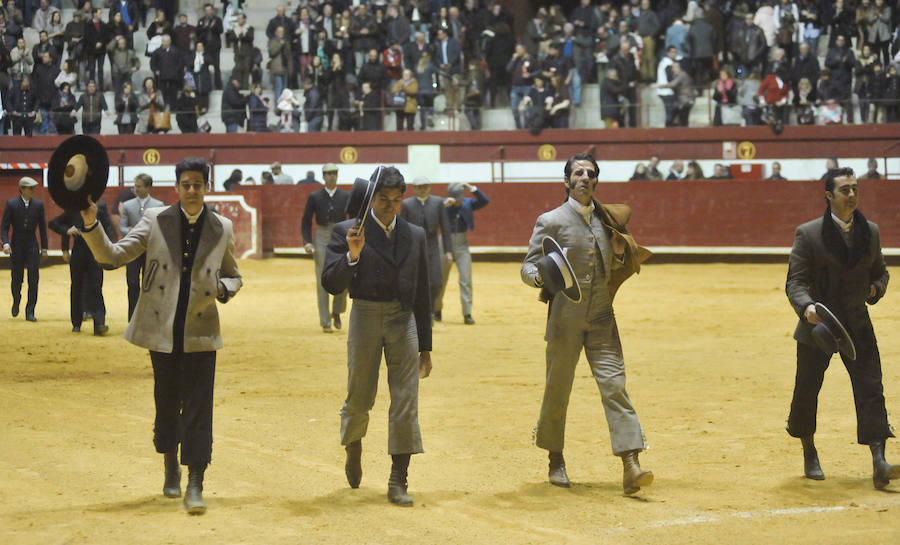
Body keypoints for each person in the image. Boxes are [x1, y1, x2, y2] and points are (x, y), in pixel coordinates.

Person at [79, 157, 242, 514]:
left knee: (200, 407)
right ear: (177, 187)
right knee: (167, 400)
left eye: (198, 184)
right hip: (162, 328)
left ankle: (196, 481)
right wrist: (92, 224)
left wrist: (223, 288)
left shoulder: (223, 227)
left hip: (201, 329)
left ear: (205, 187)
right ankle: (170, 463)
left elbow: (234, 274)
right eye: (186, 184)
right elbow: (114, 255)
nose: (192, 191)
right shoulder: (155, 221)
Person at [521, 152, 653, 494]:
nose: (584, 178)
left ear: (596, 181)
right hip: (565, 318)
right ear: (566, 181)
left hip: (602, 317)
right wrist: (539, 278)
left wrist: (621, 251)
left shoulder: (606, 221)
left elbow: (618, 261)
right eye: (577, 173)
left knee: (614, 385)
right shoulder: (549, 220)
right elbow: (528, 266)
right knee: (558, 386)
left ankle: (631, 464)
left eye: (590, 173)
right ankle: (555, 459)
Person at [322, 166, 432, 507]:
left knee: (405, 398)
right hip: (365, 316)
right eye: (384, 199)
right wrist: (352, 255)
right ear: (372, 198)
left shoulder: (415, 234)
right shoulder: (348, 230)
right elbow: (330, 282)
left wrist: (426, 346)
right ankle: (353, 445)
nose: (391, 206)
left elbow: (422, 292)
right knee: (360, 395)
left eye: (397, 200)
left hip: (403, 319)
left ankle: (398, 478)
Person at [785, 167, 898, 489]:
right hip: (818, 325)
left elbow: (881, 273)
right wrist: (807, 307)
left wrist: (875, 289)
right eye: (845, 189)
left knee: (871, 389)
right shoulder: (808, 234)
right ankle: (809, 450)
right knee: (807, 390)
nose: (851, 194)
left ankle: (879, 460)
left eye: (855, 188)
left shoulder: (871, 232)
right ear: (829, 196)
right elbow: (795, 282)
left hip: (858, 323)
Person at [49, 200, 113, 335]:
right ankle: (76, 322)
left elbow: (108, 228)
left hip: (96, 253)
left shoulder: (100, 207)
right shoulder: (74, 208)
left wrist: (108, 249)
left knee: (96, 287)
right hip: (79, 253)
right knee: (77, 287)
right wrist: (66, 232)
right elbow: (54, 223)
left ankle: (99, 323)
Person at [301, 163, 349, 333]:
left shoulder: (345, 195)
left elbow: (354, 218)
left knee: (343, 275)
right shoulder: (315, 196)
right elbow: (306, 220)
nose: (331, 176)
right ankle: (325, 321)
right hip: (321, 236)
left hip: (341, 235)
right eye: (328, 174)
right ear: (323, 176)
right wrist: (307, 241)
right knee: (322, 278)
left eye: (334, 173)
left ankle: (337, 311)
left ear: (337, 175)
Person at [401, 177, 453, 322]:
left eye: (425, 186)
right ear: (414, 188)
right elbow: (402, 229)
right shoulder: (407, 204)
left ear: (429, 188)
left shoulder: (437, 203)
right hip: (413, 247)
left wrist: (448, 251)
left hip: (432, 246)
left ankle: (429, 309)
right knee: (414, 282)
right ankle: (416, 311)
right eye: (419, 186)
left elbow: (445, 228)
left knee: (436, 281)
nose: (422, 189)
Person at [440, 182, 488, 325]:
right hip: (444, 243)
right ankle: (436, 310)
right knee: (440, 279)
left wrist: (472, 188)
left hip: (462, 244)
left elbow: (485, 201)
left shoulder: (468, 203)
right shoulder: (442, 204)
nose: (458, 200)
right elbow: (430, 213)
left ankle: (467, 313)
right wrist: (443, 206)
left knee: (466, 279)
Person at [1, 177, 48, 321]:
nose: (33, 190)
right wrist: (6, 243)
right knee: (17, 278)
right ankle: (16, 301)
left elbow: (42, 227)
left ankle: (30, 311)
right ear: (22, 189)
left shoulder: (38, 205)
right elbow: (4, 227)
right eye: (30, 188)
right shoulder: (12, 204)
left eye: (33, 188)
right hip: (16, 246)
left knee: (34, 279)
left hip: (32, 246)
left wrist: (44, 247)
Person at [119, 173, 164, 321]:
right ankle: (132, 317)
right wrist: (131, 232)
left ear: (148, 187)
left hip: (150, 250)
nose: (135, 189)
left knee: (150, 283)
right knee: (132, 282)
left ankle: (148, 316)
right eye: (135, 186)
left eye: (138, 186)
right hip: (132, 249)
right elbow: (122, 227)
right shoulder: (127, 205)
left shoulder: (158, 206)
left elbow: (161, 228)